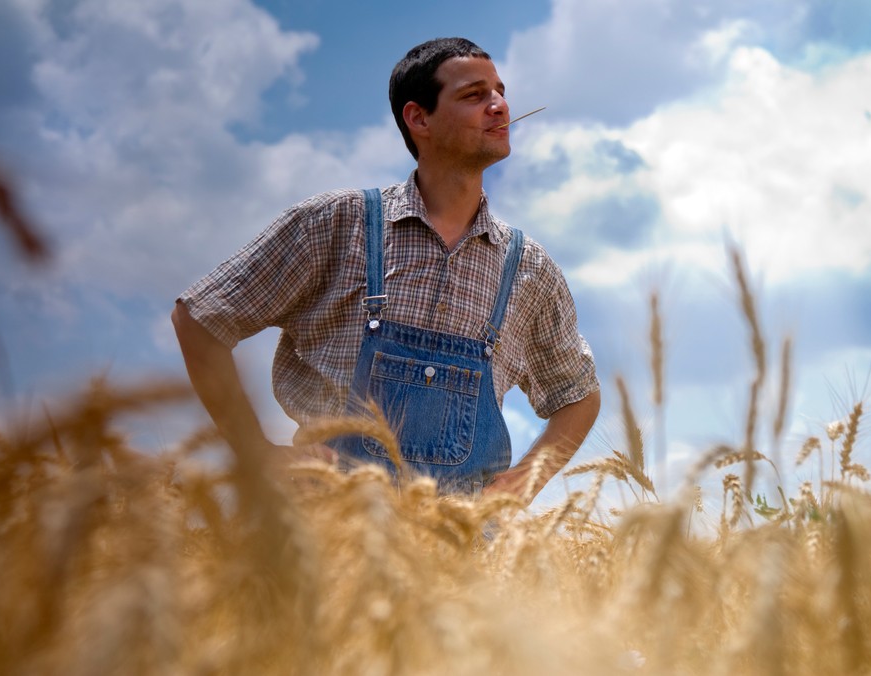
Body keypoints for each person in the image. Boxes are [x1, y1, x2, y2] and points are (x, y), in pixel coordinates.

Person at [171, 37, 599, 503]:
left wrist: (526, 479)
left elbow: (577, 393)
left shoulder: (529, 268)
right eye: (475, 95)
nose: (498, 106)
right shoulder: (335, 224)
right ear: (419, 119)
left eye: (499, 91)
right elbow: (200, 318)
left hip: (461, 558)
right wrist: (253, 449)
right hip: (330, 535)